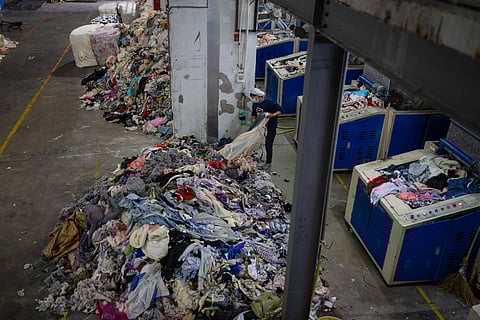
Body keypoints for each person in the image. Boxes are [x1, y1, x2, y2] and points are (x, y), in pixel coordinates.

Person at [250, 88, 283, 170]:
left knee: (268, 144)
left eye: (255, 98)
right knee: (257, 142)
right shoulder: (255, 104)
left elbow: (280, 110)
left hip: (270, 126)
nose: (254, 100)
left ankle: (268, 162)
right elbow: (254, 113)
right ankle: (258, 157)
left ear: (259, 96)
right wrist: (254, 121)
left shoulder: (270, 103)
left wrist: (273, 115)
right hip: (260, 127)